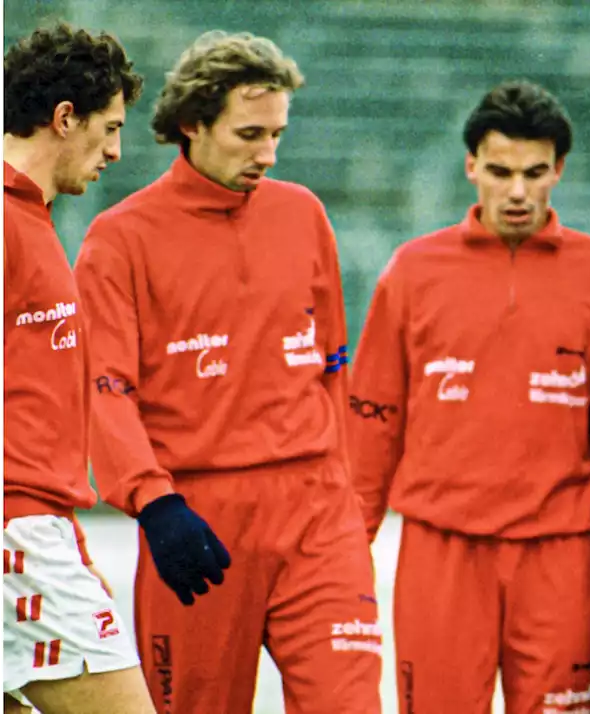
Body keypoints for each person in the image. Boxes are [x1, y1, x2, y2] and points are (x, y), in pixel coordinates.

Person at [72, 31, 381, 713]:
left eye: (277, 134)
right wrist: (154, 505)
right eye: (249, 134)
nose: (267, 154)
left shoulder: (303, 214)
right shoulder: (121, 239)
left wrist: (349, 496)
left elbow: (332, 364)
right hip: (197, 520)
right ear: (192, 123)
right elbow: (105, 391)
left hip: (316, 512)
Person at [346, 79, 590, 714]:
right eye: (501, 171)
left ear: (558, 170)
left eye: (534, 173)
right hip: (441, 549)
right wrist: (349, 548)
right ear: (471, 166)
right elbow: (372, 424)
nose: (516, 191)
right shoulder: (412, 272)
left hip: (562, 554)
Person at [1, 22, 153, 714]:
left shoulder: (32, 218)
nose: (118, 151)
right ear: (65, 119)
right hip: (19, 536)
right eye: (110, 127)